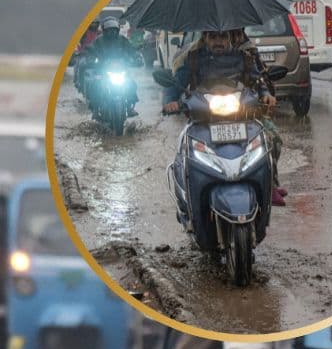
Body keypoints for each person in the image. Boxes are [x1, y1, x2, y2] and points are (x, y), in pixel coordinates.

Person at [163, 29, 286, 207]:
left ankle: (269, 185)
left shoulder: (244, 57)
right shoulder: (194, 58)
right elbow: (176, 83)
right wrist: (170, 100)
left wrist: (266, 94)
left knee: (273, 139)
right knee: (184, 148)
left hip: (241, 115)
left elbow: (258, 79)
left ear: (230, 38)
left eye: (222, 37)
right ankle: (188, 196)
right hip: (203, 118)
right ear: (205, 38)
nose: (218, 41)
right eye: (213, 37)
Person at [78, 16, 142, 115]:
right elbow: (91, 51)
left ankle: (130, 106)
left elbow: (132, 50)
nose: (111, 32)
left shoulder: (122, 40)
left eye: (113, 30)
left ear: (117, 30)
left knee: (131, 84)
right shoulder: (99, 41)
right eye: (109, 30)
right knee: (95, 86)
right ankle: (94, 108)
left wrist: (137, 58)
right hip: (103, 71)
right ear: (104, 30)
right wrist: (90, 60)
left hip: (121, 70)